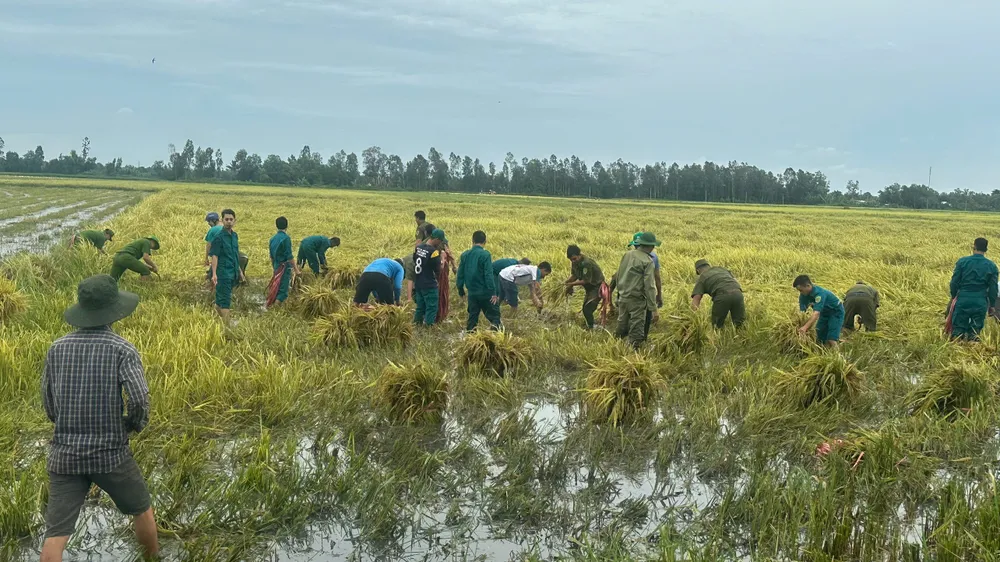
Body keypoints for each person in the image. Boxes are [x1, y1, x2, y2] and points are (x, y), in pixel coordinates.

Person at [40, 274, 158, 562]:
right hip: (110, 454)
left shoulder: (57, 348)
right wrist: (133, 424)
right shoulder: (122, 348)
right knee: (142, 509)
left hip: (65, 455)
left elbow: (49, 402)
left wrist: (65, 425)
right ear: (114, 310)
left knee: (55, 535)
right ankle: (153, 559)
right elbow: (139, 399)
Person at [948, 237, 999, 341]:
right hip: (980, 301)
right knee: (975, 332)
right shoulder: (992, 266)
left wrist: (953, 296)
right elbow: (993, 289)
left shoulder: (962, 262)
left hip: (963, 298)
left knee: (957, 331)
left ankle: (956, 351)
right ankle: (973, 348)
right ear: (986, 250)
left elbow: (954, 282)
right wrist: (992, 305)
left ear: (974, 247)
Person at [615, 232, 660, 348]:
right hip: (637, 300)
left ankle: (616, 349)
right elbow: (649, 286)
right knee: (636, 331)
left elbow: (618, 275)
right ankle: (632, 356)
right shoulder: (648, 261)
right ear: (650, 246)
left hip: (623, 296)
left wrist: (618, 295)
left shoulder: (627, 254)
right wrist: (653, 308)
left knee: (622, 325)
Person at [456, 230, 502, 331]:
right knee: (495, 318)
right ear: (485, 241)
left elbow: (460, 275)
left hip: (472, 293)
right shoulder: (485, 255)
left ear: (472, 240)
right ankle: (495, 340)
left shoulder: (465, 255)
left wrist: (461, 290)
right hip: (485, 292)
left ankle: (469, 340)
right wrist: (493, 292)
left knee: (472, 319)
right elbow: (488, 275)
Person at [209, 209, 245, 325]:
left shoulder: (234, 236)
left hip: (232, 271)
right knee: (225, 301)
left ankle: (218, 321)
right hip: (223, 273)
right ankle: (228, 328)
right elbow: (215, 256)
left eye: (231, 219)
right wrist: (214, 274)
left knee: (221, 300)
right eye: (226, 219)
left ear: (235, 221)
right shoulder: (219, 237)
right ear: (222, 220)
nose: (229, 222)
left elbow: (235, 255)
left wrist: (240, 272)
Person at [691, 259, 745, 328]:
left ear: (698, 270)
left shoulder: (702, 277)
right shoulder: (722, 269)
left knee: (717, 325)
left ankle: (718, 337)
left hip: (722, 296)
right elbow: (735, 281)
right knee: (739, 324)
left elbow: (696, 298)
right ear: (709, 266)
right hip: (738, 293)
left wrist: (692, 317)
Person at [794, 275, 845, 347]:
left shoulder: (820, 294)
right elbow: (802, 312)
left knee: (831, 339)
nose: (800, 292)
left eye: (801, 290)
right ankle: (824, 352)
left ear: (808, 286)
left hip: (835, 312)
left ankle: (837, 356)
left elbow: (816, 314)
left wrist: (805, 327)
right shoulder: (803, 296)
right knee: (819, 337)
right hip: (824, 313)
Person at [565, 245, 606, 329]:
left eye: (574, 259)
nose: (573, 261)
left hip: (597, 287)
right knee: (585, 308)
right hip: (589, 288)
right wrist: (567, 282)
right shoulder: (575, 262)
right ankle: (591, 325)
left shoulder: (586, 263)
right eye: (571, 259)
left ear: (579, 255)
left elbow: (586, 280)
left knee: (587, 309)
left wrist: (571, 284)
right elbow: (574, 275)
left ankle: (592, 327)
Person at [413, 229, 446, 326]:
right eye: (440, 241)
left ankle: (417, 324)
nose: (440, 243)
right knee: (431, 307)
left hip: (418, 282)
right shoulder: (434, 252)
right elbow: (438, 269)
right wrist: (443, 259)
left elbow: (415, 260)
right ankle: (428, 327)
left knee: (420, 306)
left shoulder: (419, 247)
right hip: (429, 284)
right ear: (436, 239)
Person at [267, 216, 299, 308]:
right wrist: (296, 270)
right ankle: (276, 310)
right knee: (283, 290)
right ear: (287, 226)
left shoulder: (272, 239)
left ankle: (272, 304)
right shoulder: (286, 238)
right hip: (284, 266)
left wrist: (274, 267)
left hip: (276, 265)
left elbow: (271, 256)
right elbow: (289, 256)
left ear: (276, 226)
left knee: (276, 286)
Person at [630, 232, 663, 308]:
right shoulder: (652, 258)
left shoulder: (628, 255)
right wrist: (658, 297)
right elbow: (653, 281)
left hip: (628, 296)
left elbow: (618, 277)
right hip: (642, 297)